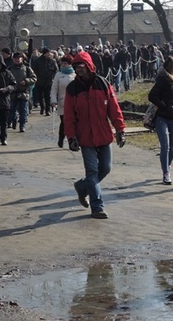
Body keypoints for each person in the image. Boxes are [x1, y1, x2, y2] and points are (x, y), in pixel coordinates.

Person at [64, 51, 126, 219]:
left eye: (81, 67)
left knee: (105, 168)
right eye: (75, 68)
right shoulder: (72, 89)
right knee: (92, 171)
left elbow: (114, 109)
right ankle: (97, 206)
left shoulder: (103, 84)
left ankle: (82, 187)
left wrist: (120, 129)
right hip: (85, 137)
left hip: (103, 134)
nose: (78, 70)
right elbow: (69, 116)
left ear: (89, 66)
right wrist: (71, 137)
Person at [148, 56, 173, 185]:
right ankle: (166, 173)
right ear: (170, 67)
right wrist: (164, 106)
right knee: (165, 146)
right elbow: (152, 96)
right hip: (162, 117)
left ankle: (167, 165)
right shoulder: (162, 80)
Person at [7, 52, 37, 132]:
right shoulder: (9, 69)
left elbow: (34, 78)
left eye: (18, 58)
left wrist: (26, 81)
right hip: (12, 93)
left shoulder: (27, 69)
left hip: (23, 92)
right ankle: (13, 121)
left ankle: (22, 125)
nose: (17, 60)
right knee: (11, 110)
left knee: (23, 110)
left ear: (22, 59)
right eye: (15, 58)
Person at [50, 55, 75, 148]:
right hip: (62, 102)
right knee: (64, 122)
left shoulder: (74, 74)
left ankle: (72, 140)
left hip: (74, 102)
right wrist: (53, 100)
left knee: (73, 122)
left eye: (66, 63)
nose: (63, 65)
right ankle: (61, 138)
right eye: (62, 63)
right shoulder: (58, 74)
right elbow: (54, 88)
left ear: (70, 64)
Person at [32, 47, 58, 116]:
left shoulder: (52, 61)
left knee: (47, 96)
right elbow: (34, 70)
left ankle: (47, 110)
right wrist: (37, 77)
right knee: (40, 96)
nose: (49, 54)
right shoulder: (38, 61)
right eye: (48, 53)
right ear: (44, 54)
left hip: (49, 81)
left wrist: (52, 76)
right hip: (40, 81)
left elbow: (56, 70)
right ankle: (42, 107)